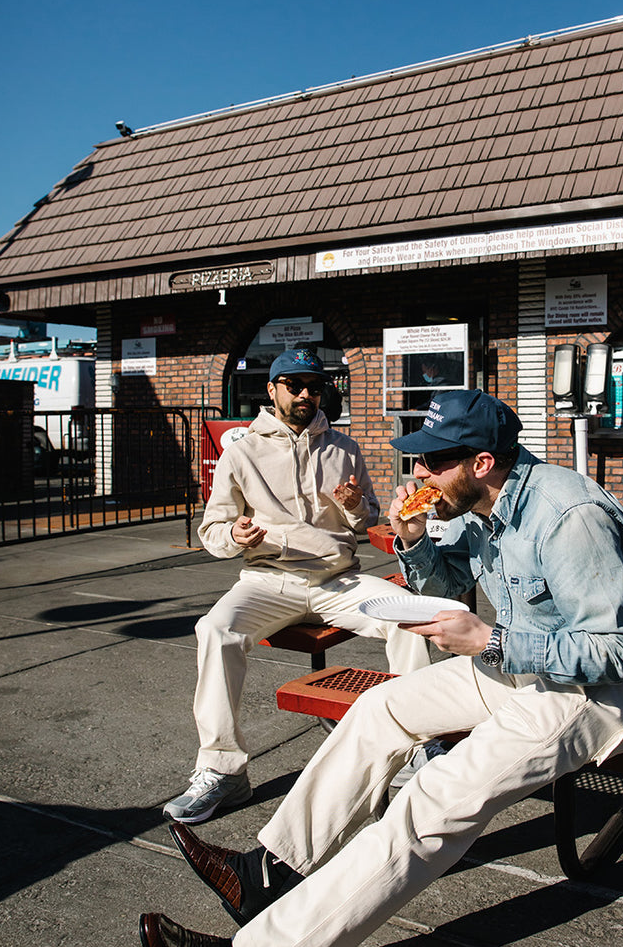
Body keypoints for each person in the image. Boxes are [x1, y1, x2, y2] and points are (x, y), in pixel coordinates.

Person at [141, 388, 623, 947]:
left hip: (600, 692)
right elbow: (447, 584)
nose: (417, 472)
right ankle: (269, 874)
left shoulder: (568, 515)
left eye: (431, 461)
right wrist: (414, 539)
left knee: (435, 797)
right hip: (518, 664)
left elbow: (617, 649)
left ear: (480, 460)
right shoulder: (485, 500)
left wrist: (494, 638)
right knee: (380, 710)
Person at [162, 347, 431, 825]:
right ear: (272, 390)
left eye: (315, 386)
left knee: (410, 615)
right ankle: (223, 770)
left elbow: (366, 517)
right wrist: (234, 535)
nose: (307, 394)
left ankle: (414, 747)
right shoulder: (241, 451)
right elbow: (213, 530)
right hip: (270, 580)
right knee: (215, 630)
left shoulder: (344, 447)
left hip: (337, 579)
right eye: (295, 385)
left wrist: (353, 506)